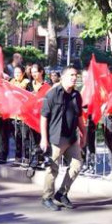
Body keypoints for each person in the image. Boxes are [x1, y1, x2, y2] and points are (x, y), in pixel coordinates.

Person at [40, 67, 83, 211]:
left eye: (75, 75)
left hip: (71, 138)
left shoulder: (76, 95)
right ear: (63, 77)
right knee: (53, 169)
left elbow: (80, 117)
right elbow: (44, 117)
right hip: (56, 138)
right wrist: (44, 139)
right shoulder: (52, 94)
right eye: (71, 75)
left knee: (76, 166)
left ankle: (61, 193)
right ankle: (47, 197)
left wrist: (84, 133)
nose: (74, 78)